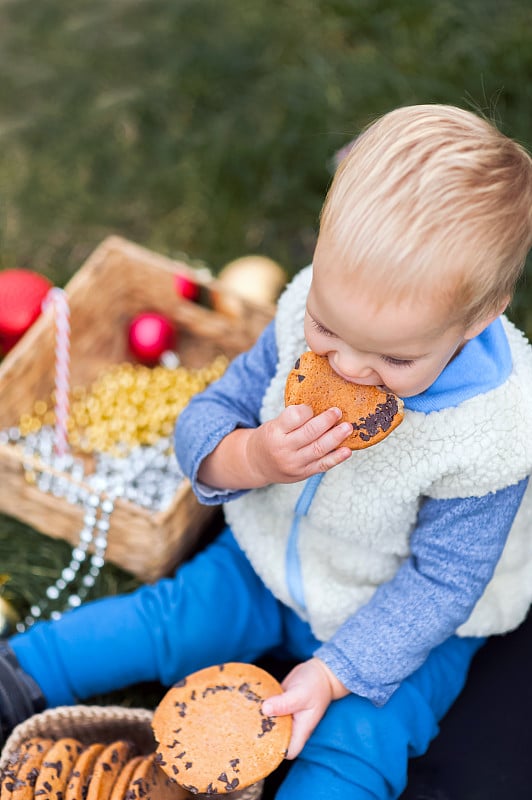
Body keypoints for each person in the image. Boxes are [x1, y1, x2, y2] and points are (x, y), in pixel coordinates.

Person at [1, 104, 532, 800]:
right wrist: (251, 458)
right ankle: (25, 671)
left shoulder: (491, 434)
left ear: (482, 316)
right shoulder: (297, 316)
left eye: (395, 358)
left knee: (360, 742)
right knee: (175, 616)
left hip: (397, 626)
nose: (347, 366)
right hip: (273, 558)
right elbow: (206, 416)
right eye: (326, 328)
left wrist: (337, 670)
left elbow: (442, 586)